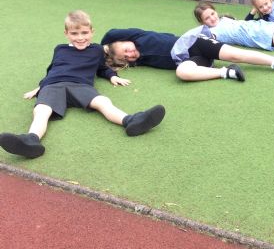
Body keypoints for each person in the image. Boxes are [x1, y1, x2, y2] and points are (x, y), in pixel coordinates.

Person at [0, 11, 165, 159]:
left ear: (92, 32)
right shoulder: (60, 49)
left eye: (84, 33)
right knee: (42, 110)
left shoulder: (97, 50)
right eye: (74, 33)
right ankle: (31, 140)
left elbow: (101, 68)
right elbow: (52, 69)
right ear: (66, 34)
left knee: (102, 102)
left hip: (81, 84)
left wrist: (112, 76)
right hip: (54, 84)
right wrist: (40, 87)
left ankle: (130, 121)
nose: (80, 37)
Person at [101, 28, 274, 80]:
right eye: (125, 58)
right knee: (182, 73)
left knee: (236, 55)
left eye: (126, 50)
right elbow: (103, 66)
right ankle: (227, 72)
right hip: (194, 61)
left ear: (126, 39)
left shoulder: (138, 36)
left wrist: (102, 47)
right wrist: (111, 65)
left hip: (197, 43)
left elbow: (110, 33)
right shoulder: (139, 60)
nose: (130, 54)